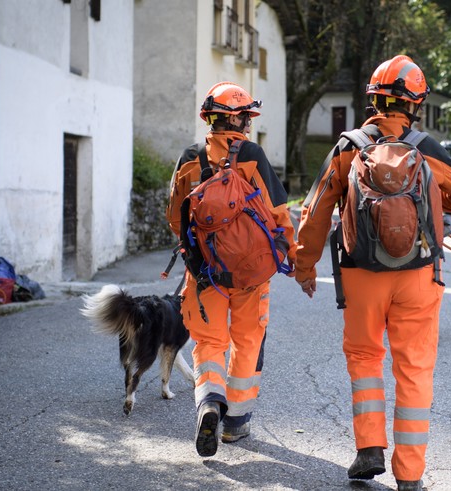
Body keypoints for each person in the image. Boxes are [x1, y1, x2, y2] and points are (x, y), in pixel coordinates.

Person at [293, 55, 451, 491]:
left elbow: (316, 211)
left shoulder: (348, 146)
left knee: (364, 357)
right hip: (419, 273)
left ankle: (369, 449)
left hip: (360, 273)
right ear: (414, 104)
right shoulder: (425, 147)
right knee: (414, 368)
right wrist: (432, 204)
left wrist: (305, 267)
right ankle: (411, 476)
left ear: (373, 98)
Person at [175, 82, 298, 457]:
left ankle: (210, 402)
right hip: (251, 272)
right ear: (241, 119)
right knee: (247, 342)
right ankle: (235, 424)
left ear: (209, 119)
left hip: (204, 271)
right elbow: (278, 210)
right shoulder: (252, 155)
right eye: (247, 117)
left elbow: (174, 217)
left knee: (209, 342)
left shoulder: (189, 158)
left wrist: (198, 256)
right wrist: (290, 253)